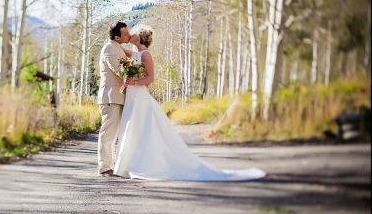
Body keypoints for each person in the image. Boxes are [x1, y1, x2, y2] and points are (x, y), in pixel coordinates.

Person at [112, 24, 266, 181]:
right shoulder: (134, 52)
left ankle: (142, 164)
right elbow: (117, 47)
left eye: (134, 32)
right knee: (132, 128)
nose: (130, 33)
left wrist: (134, 82)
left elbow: (150, 78)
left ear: (140, 37)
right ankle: (126, 165)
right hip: (132, 96)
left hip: (140, 96)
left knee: (141, 128)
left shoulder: (145, 55)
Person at [96, 21, 130, 175]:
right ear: (117, 37)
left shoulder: (117, 47)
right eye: (125, 34)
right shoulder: (109, 48)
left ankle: (113, 165)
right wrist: (135, 73)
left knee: (114, 135)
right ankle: (104, 167)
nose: (128, 35)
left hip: (118, 97)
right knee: (108, 134)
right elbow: (119, 70)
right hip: (110, 97)